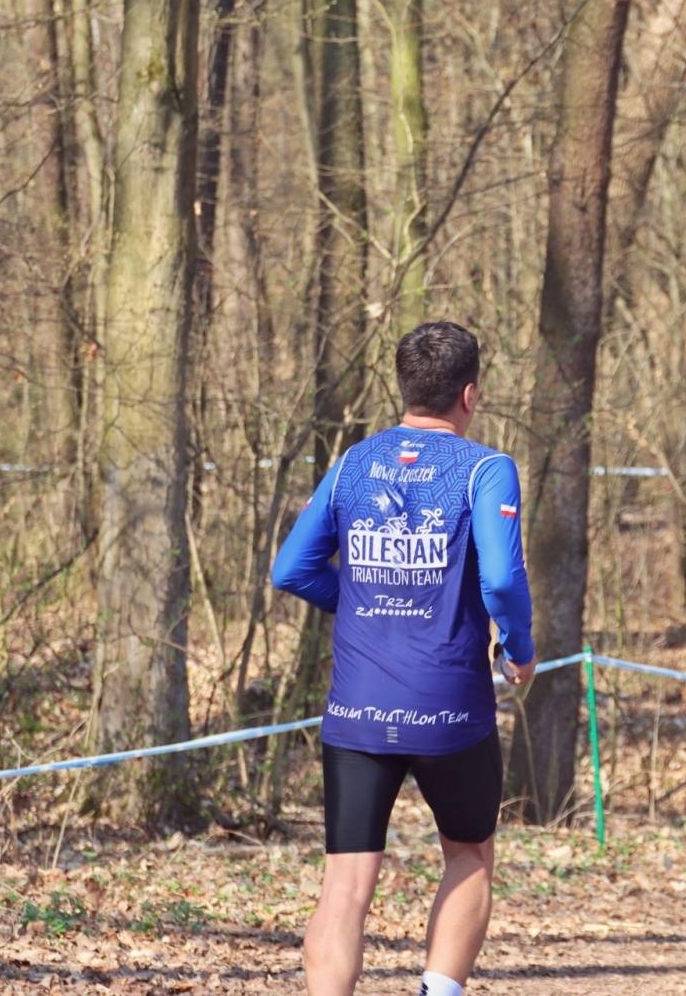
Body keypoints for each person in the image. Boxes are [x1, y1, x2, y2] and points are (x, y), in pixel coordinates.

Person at [271, 321, 536, 996]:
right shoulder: (484, 468)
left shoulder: (353, 464)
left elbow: (291, 569)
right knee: (470, 854)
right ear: (471, 394)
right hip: (449, 705)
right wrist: (519, 649)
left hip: (357, 707)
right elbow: (502, 580)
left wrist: (361, 602)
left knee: (346, 881)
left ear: (405, 387)